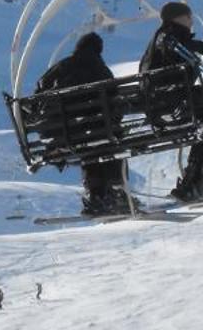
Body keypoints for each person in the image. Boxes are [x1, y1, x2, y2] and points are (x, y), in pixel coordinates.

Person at [140, 3, 203, 202]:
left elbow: (173, 83)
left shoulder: (158, 41)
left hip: (164, 107)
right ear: (178, 18)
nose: (191, 21)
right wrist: (196, 48)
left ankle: (194, 181)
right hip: (176, 108)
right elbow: (174, 54)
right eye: (189, 17)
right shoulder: (169, 36)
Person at [34, 31, 131, 216]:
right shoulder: (102, 70)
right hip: (99, 133)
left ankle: (96, 196)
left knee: (88, 145)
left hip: (63, 135)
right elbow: (114, 102)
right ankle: (116, 193)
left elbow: (39, 94)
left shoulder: (61, 66)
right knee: (106, 140)